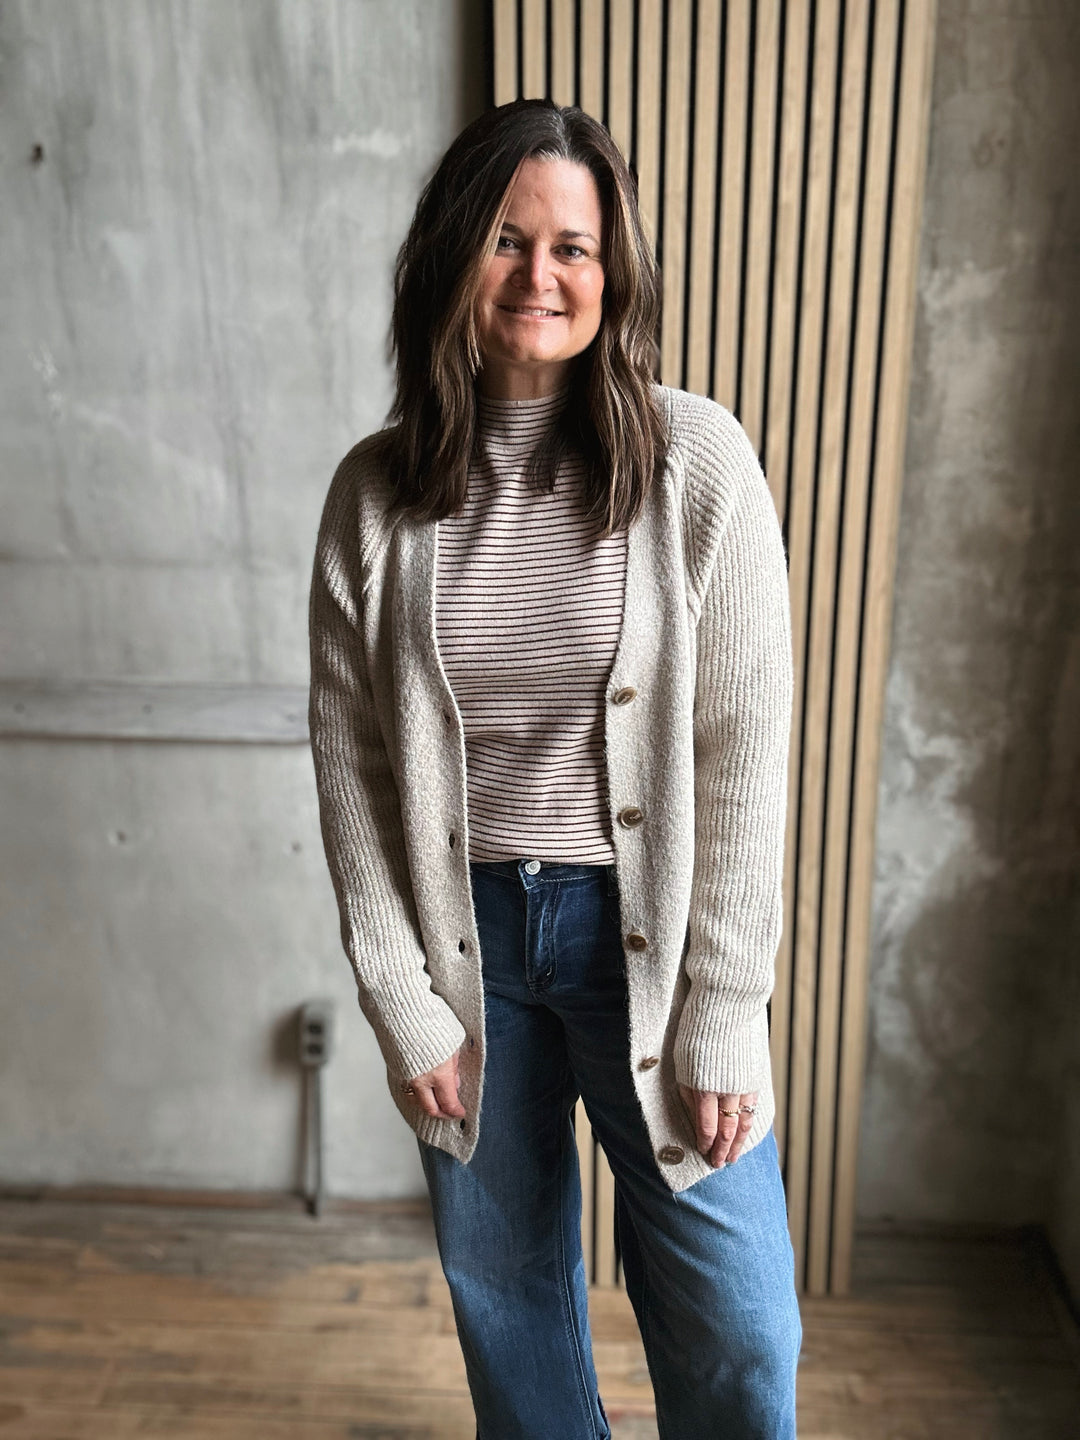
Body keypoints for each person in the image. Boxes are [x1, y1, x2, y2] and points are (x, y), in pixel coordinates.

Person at [309, 98, 801, 1440]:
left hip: (647, 940)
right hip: (468, 948)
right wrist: (399, 998)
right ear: (452, 257)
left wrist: (724, 1003)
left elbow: (745, 753)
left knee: (741, 1329)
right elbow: (353, 764)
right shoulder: (375, 496)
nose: (541, 275)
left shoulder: (696, 463)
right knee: (508, 1305)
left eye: (573, 247)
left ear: (611, 271)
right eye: (507, 240)